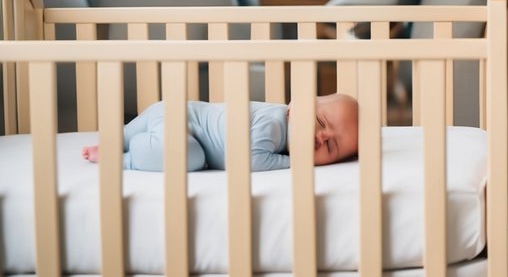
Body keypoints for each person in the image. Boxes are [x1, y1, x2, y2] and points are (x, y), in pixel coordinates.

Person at [81, 93, 359, 171]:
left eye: (331, 147)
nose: (321, 137)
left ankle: (124, 138)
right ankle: (125, 157)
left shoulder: (280, 126)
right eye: (322, 123)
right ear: (295, 107)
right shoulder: (275, 125)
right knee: (189, 157)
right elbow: (249, 159)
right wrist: (295, 162)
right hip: (177, 124)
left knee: (136, 134)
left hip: (169, 113)